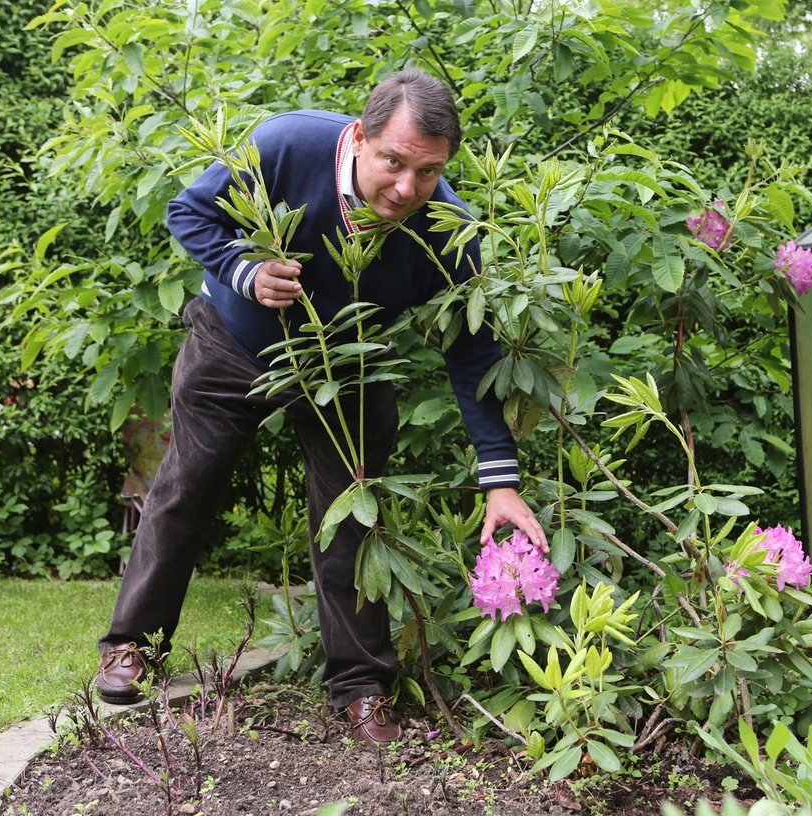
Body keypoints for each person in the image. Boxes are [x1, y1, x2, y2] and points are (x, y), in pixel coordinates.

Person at [94, 68, 547, 745]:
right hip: (234, 342)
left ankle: (361, 689)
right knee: (185, 488)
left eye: (427, 174)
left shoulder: (447, 228)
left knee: (352, 516)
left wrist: (500, 479)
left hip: (350, 359)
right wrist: (245, 272)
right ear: (360, 138)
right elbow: (189, 212)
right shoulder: (285, 145)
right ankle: (133, 646)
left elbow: (472, 352)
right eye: (394, 162)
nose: (405, 189)